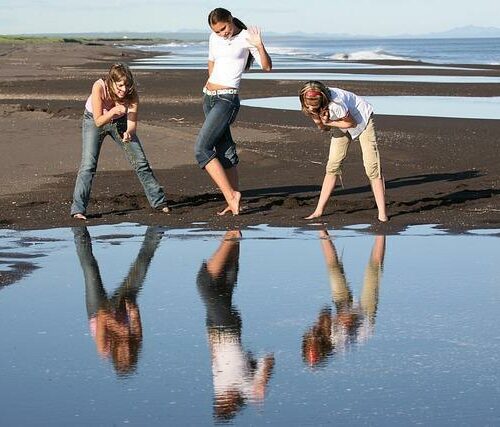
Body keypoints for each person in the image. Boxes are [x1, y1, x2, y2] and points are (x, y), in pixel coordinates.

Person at [195, 8, 272, 216]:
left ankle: (231, 195)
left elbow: (267, 67)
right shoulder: (214, 38)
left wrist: (260, 46)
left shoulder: (247, 37)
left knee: (202, 149)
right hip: (209, 98)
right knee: (224, 149)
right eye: (217, 31)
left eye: (224, 28)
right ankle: (234, 201)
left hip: (227, 99)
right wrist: (211, 84)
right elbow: (212, 62)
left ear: (230, 20)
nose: (222, 33)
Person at [70, 63, 170, 220]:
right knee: (88, 165)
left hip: (121, 121)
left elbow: (132, 123)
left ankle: (159, 203)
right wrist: (112, 111)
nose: (124, 89)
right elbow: (98, 121)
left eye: (127, 85)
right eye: (120, 85)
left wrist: (129, 133)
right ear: (111, 81)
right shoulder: (99, 87)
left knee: (141, 161)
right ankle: (78, 210)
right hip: (94, 120)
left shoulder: (132, 94)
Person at [197, 230, 275, 421]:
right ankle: (232, 234)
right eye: (223, 403)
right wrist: (261, 384)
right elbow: (269, 358)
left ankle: (235, 231)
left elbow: (216, 361)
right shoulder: (245, 388)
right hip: (227, 331)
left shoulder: (221, 387)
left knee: (224, 285)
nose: (220, 398)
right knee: (205, 284)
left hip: (215, 330)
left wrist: (209, 339)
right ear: (231, 405)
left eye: (218, 401)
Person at [73, 225, 164, 376]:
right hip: (121, 307)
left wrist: (118, 328)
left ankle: (79, 231)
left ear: (115, 357)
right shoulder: (136, 340)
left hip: (97, 310)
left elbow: (102, 314)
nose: (126, 350)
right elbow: (134, 311)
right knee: (141, 267)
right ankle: (157, 229)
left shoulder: (104, 349)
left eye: (122, 356)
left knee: (90, 268)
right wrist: (131, 309)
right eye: (129, 355)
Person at [299, 81, 388, 222]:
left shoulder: (336, 104)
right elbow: (324, 128)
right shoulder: (307, 103)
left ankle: (382, 214)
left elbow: (351, 123)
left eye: (313, 105)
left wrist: (328, 122)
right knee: (333, 164)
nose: (310, 107)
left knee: (372, 166)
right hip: (339, 122)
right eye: (308, 104)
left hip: (361, 119)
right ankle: (318, 211)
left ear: (321, 99)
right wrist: (319, 120)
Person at [302, 230, 386, 367]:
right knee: (373, 272)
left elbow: (325, 310)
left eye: (310, 342)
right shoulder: (337, 340)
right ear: (321, 347)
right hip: (363, 317)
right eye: (314, 344)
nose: (312, 338)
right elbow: (349, 318)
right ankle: (382, 232)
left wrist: (322, 323)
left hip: (343, 312)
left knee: (334, 269)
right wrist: (329, 322)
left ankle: (321, 230)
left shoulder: (314, 333)